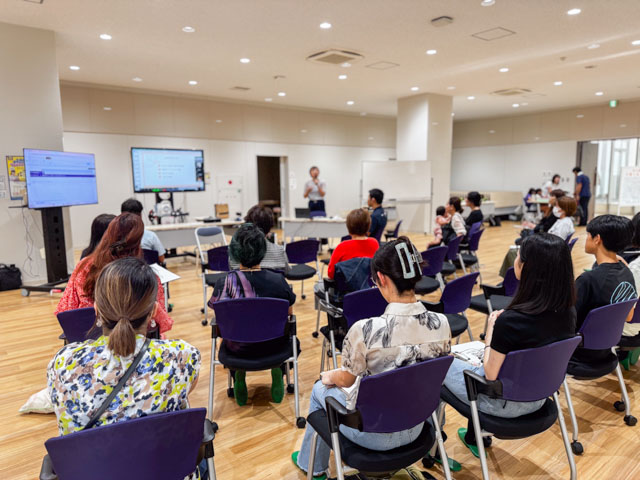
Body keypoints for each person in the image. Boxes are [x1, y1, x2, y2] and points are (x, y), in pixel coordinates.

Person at [292, 237, 451, 479]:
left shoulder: (365, 329)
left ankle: (313, 467)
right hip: (418, 426)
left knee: (318, 389)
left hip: (373, 435)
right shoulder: (442, 324)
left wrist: (329, 376)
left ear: (382, 279)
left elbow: (346, 380)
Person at [47, 257, 201, 479]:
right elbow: (188, 389)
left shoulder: (62, 363)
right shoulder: (183, 356)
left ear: (96, 310)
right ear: (153, 312)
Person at [443, 233, 576, 458]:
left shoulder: (511, 321)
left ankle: (435, 448)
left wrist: (490, 334)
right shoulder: (569, 311)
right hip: (540, 397)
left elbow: (490, 374)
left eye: (518, 257)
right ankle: (474, 437)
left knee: (439, 364)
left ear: (526, 267)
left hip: (504, 405)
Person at [210, 223, 296, 406]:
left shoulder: (223, 282)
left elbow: (220, 315)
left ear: (234, 252)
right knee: (289, 333)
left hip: (237, 350)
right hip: (274, 348)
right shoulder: (278, 281)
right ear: (263, 251)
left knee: (234, 331)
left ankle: (238, 375)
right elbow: (289, 314)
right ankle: (278, 372)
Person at [56, 213, 173, 335]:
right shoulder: (144, 274)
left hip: (88, 336)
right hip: (136, 339)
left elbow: (65, 310)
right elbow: (162, 321)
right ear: (138, 242)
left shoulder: (84, 266)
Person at [572, 215, 637, 363]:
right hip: (606, 348)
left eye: (588, 234)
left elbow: (567, 321)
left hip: (579, 352)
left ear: (597, 239)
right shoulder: (627, 273)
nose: (586, 238)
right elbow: (629, 316)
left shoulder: (588, 280)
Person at [229, 205, 289, 272]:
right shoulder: (280, 251)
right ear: (270, 227)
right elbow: (286, 272)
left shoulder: (235, 254)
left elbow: (232, 272)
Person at [326, 209, 379, 279]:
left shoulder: (342, 247)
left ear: (348, 227)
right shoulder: (374, 244)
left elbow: (331, 273)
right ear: (368, 226)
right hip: (368, 284)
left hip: (346, 285)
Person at [121, 198, 166, 262]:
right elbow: (161, 259)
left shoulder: (116, 237)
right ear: (140, 215)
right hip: (147, 267)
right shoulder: (151, 236)